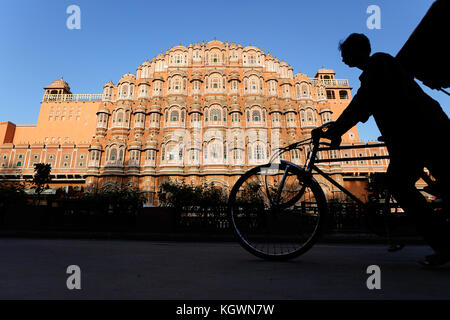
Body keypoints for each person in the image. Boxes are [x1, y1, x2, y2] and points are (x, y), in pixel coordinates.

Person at [313, 33, 450, 266]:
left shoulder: (379, 63)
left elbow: (360, 105)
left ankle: (443, 244)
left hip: (420, 131)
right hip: (419, 131)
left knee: (400, 185)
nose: (344, 59)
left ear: (357, 50)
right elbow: (363, 107)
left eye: (346, 53)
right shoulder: (374, 71)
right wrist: (337, 130)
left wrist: (335, 130)